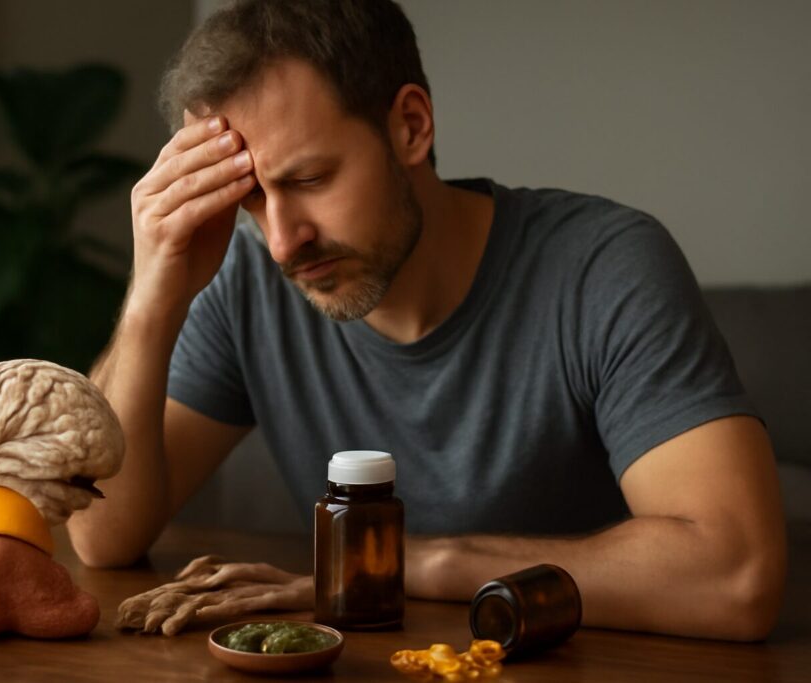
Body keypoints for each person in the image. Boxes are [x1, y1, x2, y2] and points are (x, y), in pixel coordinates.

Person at [67, 0, 786, 641]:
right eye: (250, 200)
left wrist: (403, 562)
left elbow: (736, 575)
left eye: (310, 180)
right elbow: (103, 534)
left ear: (410, 126)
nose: (283, 240)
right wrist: (153, 298)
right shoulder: (247, 281)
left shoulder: (606, 267)